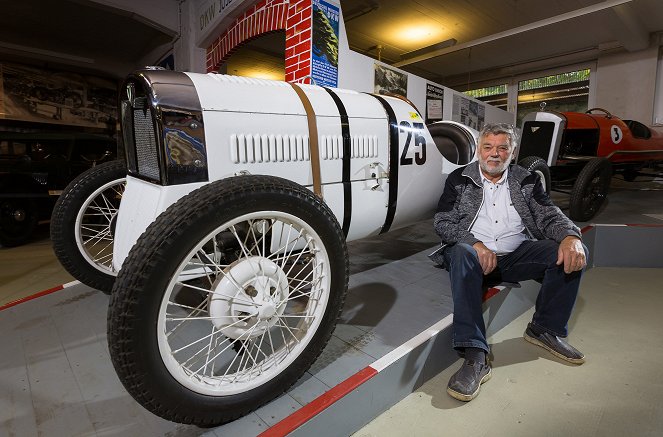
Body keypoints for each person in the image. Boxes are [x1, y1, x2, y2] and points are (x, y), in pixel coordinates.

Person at [431, 122, 588, 402]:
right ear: (478, 149)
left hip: (515, 256)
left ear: (512, 152)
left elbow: (549, 215)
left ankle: (544, 330)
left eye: (502, 148)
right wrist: (475, 244)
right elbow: (443, 222)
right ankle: (475, 355)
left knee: (570, 251)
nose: (494, 154)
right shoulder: (459, 179)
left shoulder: (525, 179)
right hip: (472, 259)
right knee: (461, 252)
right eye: (488, 147)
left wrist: (569, 235)